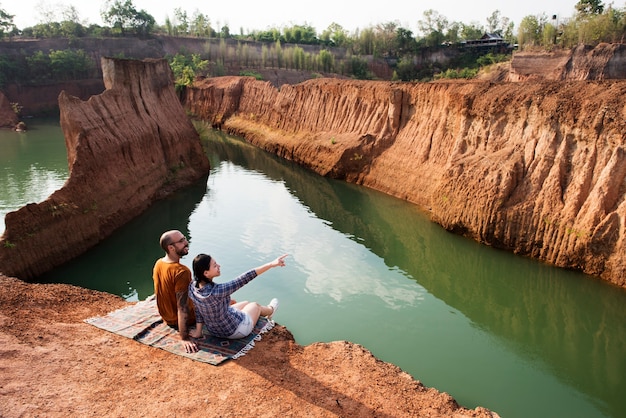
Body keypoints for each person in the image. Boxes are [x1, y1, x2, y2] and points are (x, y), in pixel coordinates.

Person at [188, 253, 287, 339]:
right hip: (236, 331)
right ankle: (271, 310)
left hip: (214, 331)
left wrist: (198, 332)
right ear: (206, 273)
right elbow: (245, 277)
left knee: (246, 303)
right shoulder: (218, 291)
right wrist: (271, 264)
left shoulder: (193, 287)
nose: (219, 266)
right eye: (215, 266)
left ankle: (257, 311)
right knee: (255, 305)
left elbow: (198, 310)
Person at [152, 230, 198, 353]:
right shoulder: (182, 271)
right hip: (181, 320)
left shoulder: (159, 263)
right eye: (181, 241)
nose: (186, 242)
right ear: (171, 248)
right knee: (229, 304)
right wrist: (184, 338)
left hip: (166, 316)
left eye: (185, 238)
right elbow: (182, 307)